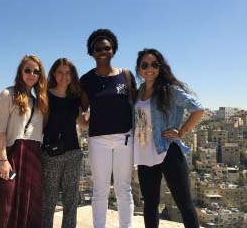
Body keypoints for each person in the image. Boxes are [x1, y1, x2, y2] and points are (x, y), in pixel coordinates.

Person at [133, 48, 203, 228]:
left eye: (154, 65)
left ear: (160, 67)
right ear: (139, 69)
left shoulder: (169, 90)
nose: (150, 69)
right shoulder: (139, 91)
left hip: (168, 150)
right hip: (145, 154)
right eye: (145, 65)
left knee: (184, 204)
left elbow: (198, 108)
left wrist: (182, 132)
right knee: (150, 204)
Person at [80, 29, 137, 228]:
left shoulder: (127, 76)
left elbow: (137, 105)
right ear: (92, 52)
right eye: (98, 49)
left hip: (125, 139)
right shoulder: (87, 80)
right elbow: (81, 108)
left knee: (124, 188)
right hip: (98, 140)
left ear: (113, 50)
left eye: (107, 48)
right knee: (100, 190)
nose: (103, 52)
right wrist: (84, 122)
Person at [0, 55, 48, 228]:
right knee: (7, 203)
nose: (32, 74)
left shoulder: (38, 101)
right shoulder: (8, 94)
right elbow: (0, 132)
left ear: (40, 75)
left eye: (36, 71)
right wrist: (3, 160)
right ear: (20, 72)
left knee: (31, 205)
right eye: (27, 70)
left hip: (34, 158)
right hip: (14, 155)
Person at [41, 58, 87, 228]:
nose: (64, 76)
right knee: (48, 203)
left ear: (72, 75)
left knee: (70, 203)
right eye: (60, 72)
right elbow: (40, 124)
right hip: (50, 155)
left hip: (73, 154)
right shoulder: (45, 96)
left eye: (68, 73)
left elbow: (82, 123)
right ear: (54, 73)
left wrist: (100, 114)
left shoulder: (75, 97)